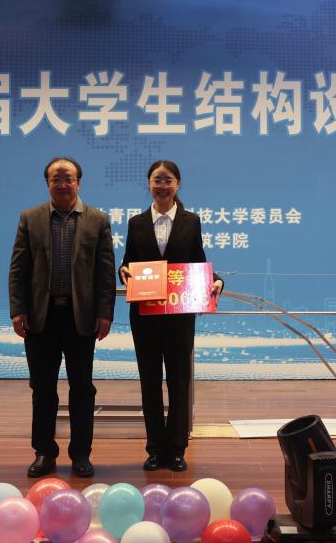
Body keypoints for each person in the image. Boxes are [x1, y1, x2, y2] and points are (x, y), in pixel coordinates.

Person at [9, 156, 116, 478]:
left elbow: (105, 272)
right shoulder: (31, 218)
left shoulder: (97, 220)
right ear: (48, 184)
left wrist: (105, 313)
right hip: (40, 318)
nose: (62, 183)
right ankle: (44, 452)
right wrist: (18, 309)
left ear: (78, 183)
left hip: (80, 316)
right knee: (42, 387)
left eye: (68, 178)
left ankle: (81, 453)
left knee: (82, 387)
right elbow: (18, 268)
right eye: (56, 178)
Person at [119, 160, 223, 472]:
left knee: (179, 383)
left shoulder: (191, 221)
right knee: (149, 383)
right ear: (148, 184)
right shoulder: (136, 222)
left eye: (168, 180)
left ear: (177, 185)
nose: (162, 185)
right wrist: (123, 271)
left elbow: (198, 262)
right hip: (146, 317)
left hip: (179, 316)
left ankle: (177, 449)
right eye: (157, 180)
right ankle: (155, 449)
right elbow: (128, 262)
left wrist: (217, 281)